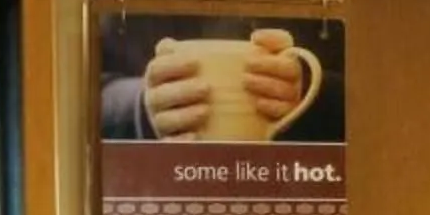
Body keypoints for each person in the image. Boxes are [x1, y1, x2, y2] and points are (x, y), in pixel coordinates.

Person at [99, 24, 316, 141]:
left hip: (298, 177)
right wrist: (143, 105)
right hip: (150, 186)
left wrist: (309, 90)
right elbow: (75, 89)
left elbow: (349, 83)